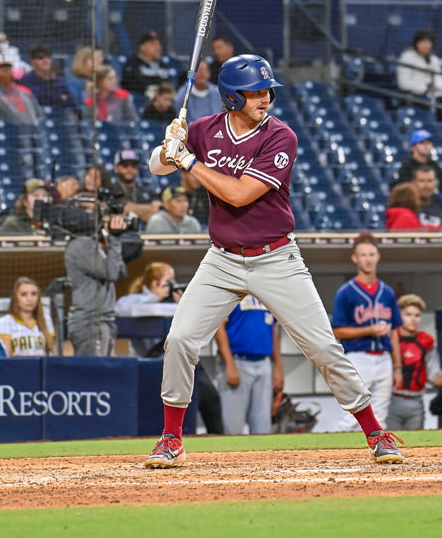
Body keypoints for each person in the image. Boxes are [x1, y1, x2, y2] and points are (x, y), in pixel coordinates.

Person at [143, 54, 404, 467]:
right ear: (231, 97)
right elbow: (155, 168)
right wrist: (168, 145)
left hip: (275, 257)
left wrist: (189, 161)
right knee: (179, 341)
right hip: (222, 259)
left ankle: (375, 431)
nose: (265, 98)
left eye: (268, 91)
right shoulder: (205, 129)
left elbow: (239, 194)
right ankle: (171, 438)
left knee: (321, 345)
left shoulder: (280, 137)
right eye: (255, 92)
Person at [331, 234, 403, 431]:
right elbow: (337, 331)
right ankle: (343, 456)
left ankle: (377, 452)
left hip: (384, 357)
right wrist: (369, 329)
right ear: (355, 258)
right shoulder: (346, 292)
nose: (368, 259)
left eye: (371, 254)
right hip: (358, 357)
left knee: (381, 416)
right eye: (363, 255)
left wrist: (397, 367)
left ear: (378, 256)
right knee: (351, 416)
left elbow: (395, 332)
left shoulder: (387, 292)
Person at [386, 294, 442, 430]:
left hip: (416, 402)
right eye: (408, 314)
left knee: (415, 447)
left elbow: (435, 378)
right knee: (388, 445)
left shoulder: (426, 342)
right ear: (399, 316)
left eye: (417, 315)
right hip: (389, 401)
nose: (413, 319)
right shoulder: (389, 339)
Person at [214, 295, 284, 435]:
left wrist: (278, 366)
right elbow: (218, 327)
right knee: (233, 427)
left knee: (263, 426)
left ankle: (262, 457)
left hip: (264, 361)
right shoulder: (231, 290)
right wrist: (230, 364)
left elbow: (273, 329)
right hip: (237, 360)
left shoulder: (266, 292)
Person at [64, 213, 128, 356]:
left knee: (106, 377)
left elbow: (121, 272)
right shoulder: (80, 245)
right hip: (90, 324)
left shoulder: (95, 245)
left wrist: (110, 244)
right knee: (94, 377)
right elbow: (111, 273)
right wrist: (115, 240)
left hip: (103, 322)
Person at [116, 261, 182, 356]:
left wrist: (183, 305)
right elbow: (119, 309)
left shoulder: (172, 303)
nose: (173, 284)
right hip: (143, 360)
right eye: (169, 280)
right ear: (155, 284)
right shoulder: (137, 299)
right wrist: (154, 297)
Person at [0, 276, 55, 357]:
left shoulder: (46, 320)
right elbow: (6, 357)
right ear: (15, 297)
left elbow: (51, 352)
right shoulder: (6, 322)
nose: (30, 299)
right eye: (24, 295)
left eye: (34, 294)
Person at [0, 53, 43, 125]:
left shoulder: (24, 90)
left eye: (8, 67)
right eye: (1, 68)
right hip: (5, 131)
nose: (6, 70)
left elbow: (39, 114)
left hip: (31, 131)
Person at [20, 43, 78, 116]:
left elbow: (72, 101)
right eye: (40, 58)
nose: (45, 61)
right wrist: (60, 98)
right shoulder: (26, 80)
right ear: (32, 61)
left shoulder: (59, 81)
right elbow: (34, 100)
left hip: (60, 118)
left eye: (48, 57)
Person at [121, 31, 175, 100]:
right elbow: (130, 86)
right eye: (153, 44)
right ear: (142, 47)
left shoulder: (163, 64)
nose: (158, 47)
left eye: (159, 44)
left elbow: (169, 83)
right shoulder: (132, 64)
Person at [394, 129, 442, 194]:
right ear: (413, 147)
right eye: (422, 143)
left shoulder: (434, 165)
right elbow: (403, 190)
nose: (426, 146)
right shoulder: (407, 166)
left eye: (428, 143)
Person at [396, 29, 442, 99]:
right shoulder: (407, 57)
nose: (426, 45)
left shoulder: (434, 59)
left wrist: (438, 87)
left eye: (428, 42)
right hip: (415, 97)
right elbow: (403, 83)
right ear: (416, 43)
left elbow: (440, 78)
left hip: (435, 95)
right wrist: (425, 89)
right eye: (423, 42)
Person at [112, 149, 160, 224]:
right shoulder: (109, 190)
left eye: (133, 165)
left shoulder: (147, 191)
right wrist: (148, 209)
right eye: (125, 165)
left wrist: (129, 210)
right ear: (116, 168)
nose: (130, 169)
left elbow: (157, 210)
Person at [412, 165, 442, 230]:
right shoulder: (408, 203)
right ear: (414, 183)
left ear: (435, 183)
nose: (426, 186)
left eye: (430, 181)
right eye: (421, 181)